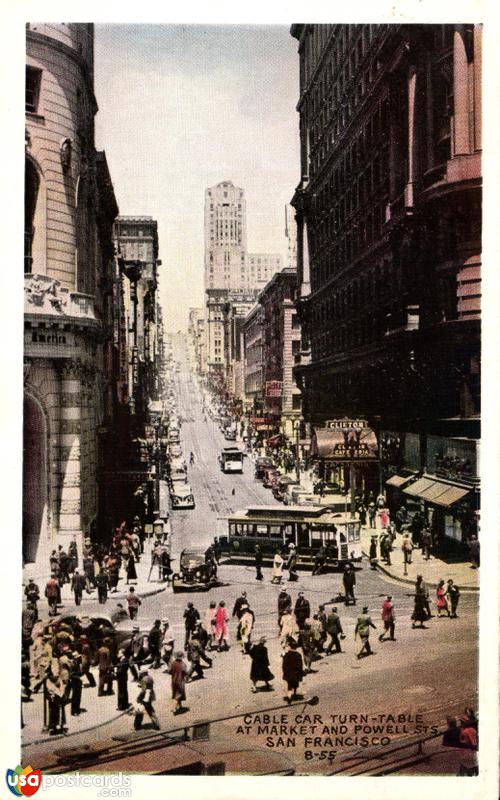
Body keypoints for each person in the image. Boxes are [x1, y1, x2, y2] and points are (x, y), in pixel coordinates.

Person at [282, 640, 304, 704]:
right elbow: (300, 665)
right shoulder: (298, 655)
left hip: (288, 672)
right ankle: (294, 693)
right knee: (295, 684)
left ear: (290, 646)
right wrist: (300, 673)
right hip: (296, 672)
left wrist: (284, 671)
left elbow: (284, 665)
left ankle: (289, 696)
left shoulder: (286, 655)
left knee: (289, 685)